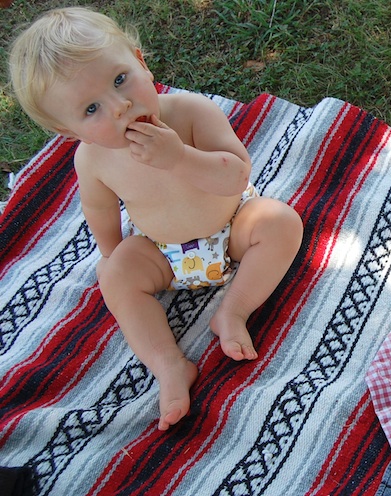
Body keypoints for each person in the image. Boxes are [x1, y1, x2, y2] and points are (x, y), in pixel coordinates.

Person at [9, 7, 303, 431]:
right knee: (114, 275)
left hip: (231, 225)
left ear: (140, 61)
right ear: (70, 132)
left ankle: (233, 311)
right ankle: (168, 365)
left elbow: (237, 174)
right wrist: (113, 254)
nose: (120, 107)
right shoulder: (91, 159)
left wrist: (179, 157)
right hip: (164, 255)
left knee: (281, 221)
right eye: (91, 109)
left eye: (119, 80)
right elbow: (99, 209)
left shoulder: (189, 112)